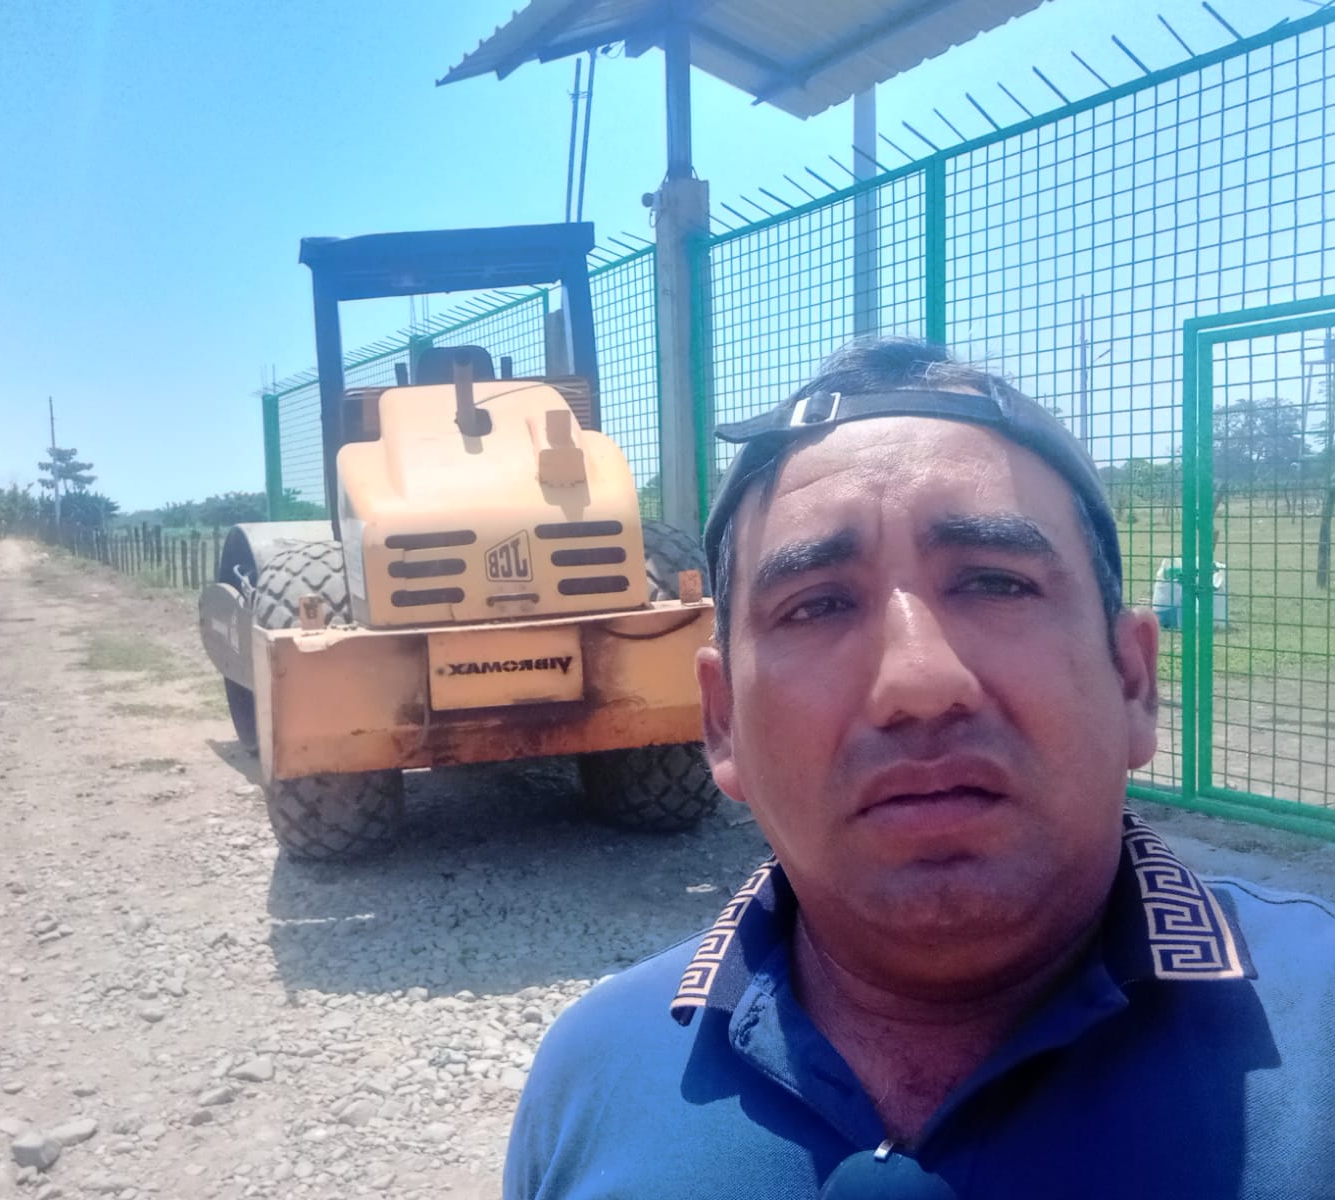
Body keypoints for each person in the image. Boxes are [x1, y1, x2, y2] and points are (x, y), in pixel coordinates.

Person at [504, 338, 1335, 1199]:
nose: (919, 681)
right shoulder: (592, 1078)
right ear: (722, 723)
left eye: (997, 583)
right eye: (817, 605)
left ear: (1133, 681)